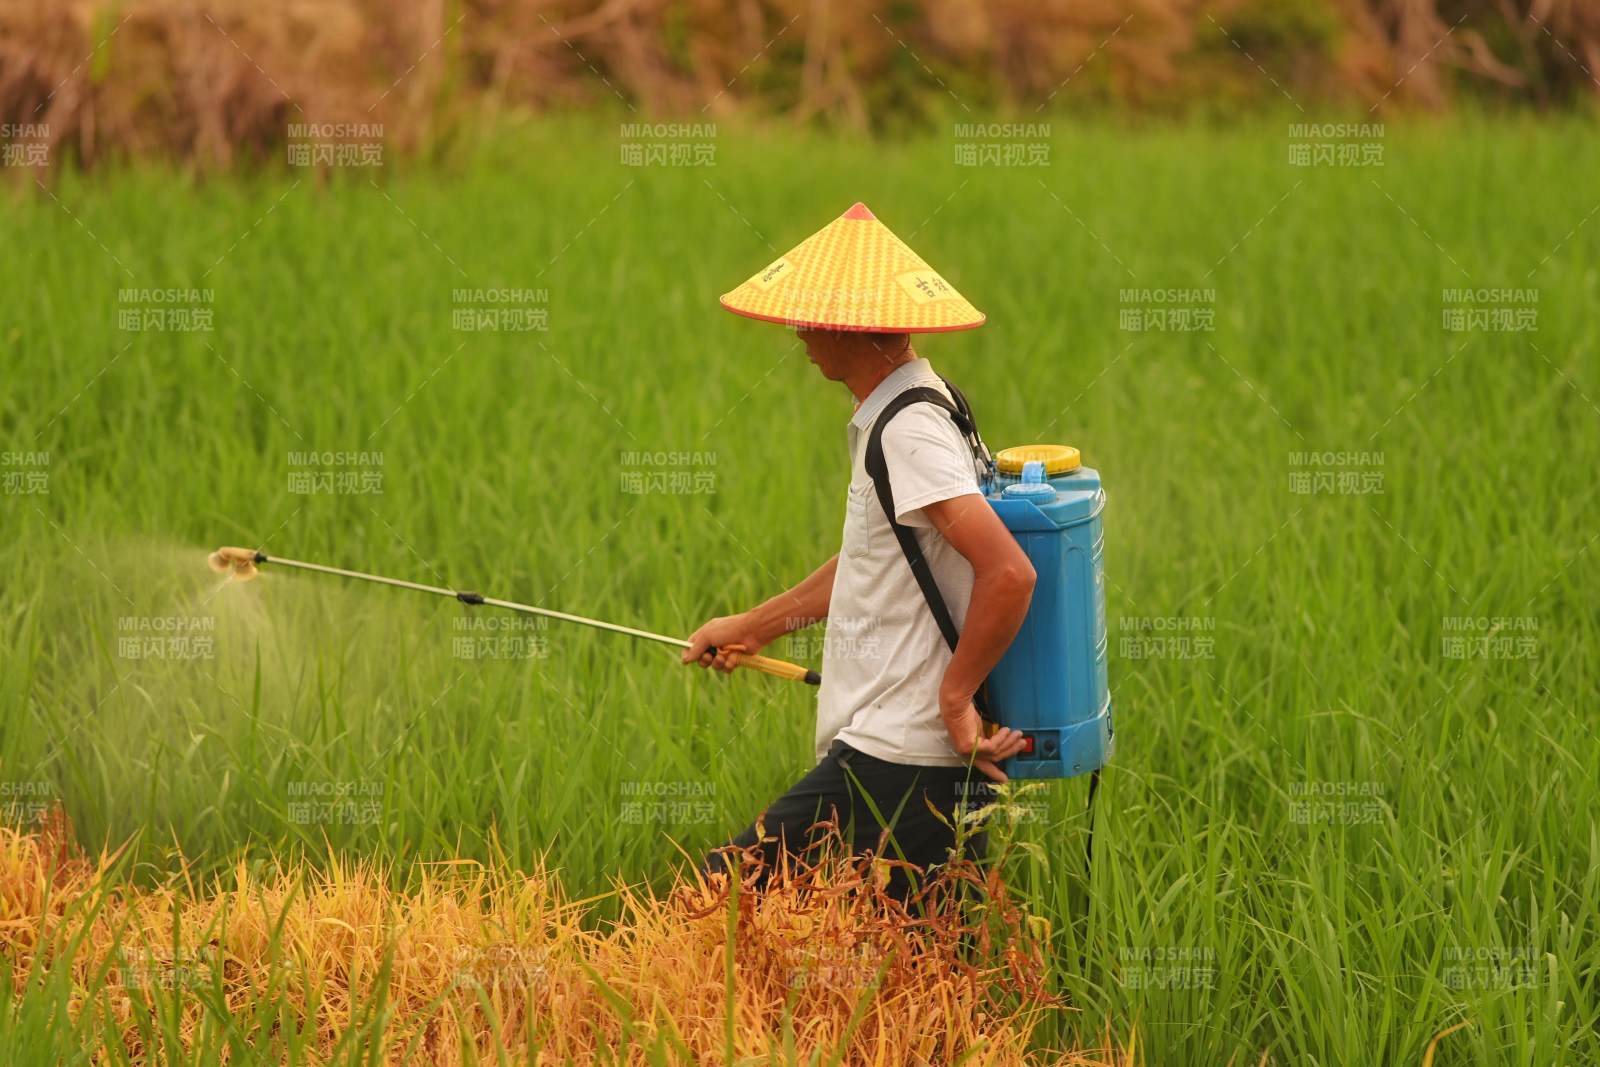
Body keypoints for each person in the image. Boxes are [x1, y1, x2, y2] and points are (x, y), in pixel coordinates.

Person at [684, 203, 1036, 899]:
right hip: (921, 761)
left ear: (851, 328)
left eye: (810, 317)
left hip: (899, 755)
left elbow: (1008, 571)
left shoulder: (909, 431)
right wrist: (753, 626)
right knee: (922, 972)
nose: (798, 331)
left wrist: (956, 697)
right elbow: (883, 560)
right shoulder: (924, 403)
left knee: (719, 897)